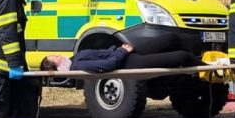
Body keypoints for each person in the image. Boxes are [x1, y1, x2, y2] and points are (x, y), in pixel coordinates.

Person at [40, 34, 201, 73]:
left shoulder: (76, 58)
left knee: (170, 38)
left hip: (125, 52)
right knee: (180, 57)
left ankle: (200, 56)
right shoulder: (78, 65)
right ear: (58, 65)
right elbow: (109, 64)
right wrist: (122, 51)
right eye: (55, 57)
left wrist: (121, 49)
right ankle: (209, 67)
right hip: (129, 61)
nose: (59, 55)